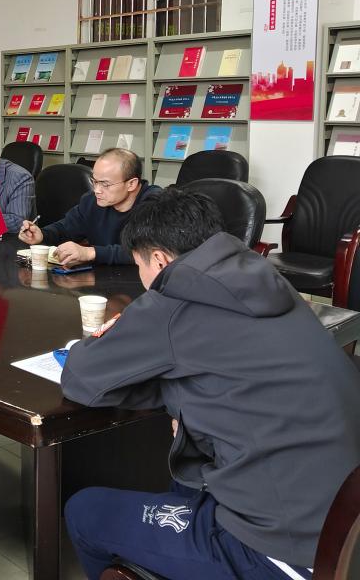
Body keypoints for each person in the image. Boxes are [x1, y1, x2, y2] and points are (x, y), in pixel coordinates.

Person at [61, 188, 360, 580]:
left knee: (85, 511)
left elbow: (80, 377)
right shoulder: (266, 279)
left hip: (284, 552)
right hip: (345, 527)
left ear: (159, 260)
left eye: (139, 266)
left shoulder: (174, 298)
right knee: (186, 476)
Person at [18, 148, 159, 266]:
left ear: (131, 184)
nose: (97, 190)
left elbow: (148, 251)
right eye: (95, 182)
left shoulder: (156, 204)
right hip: (103, 280)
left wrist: (90, 252)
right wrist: (42, 235)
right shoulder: (92, 201)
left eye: (105, 184)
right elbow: (66, 229)